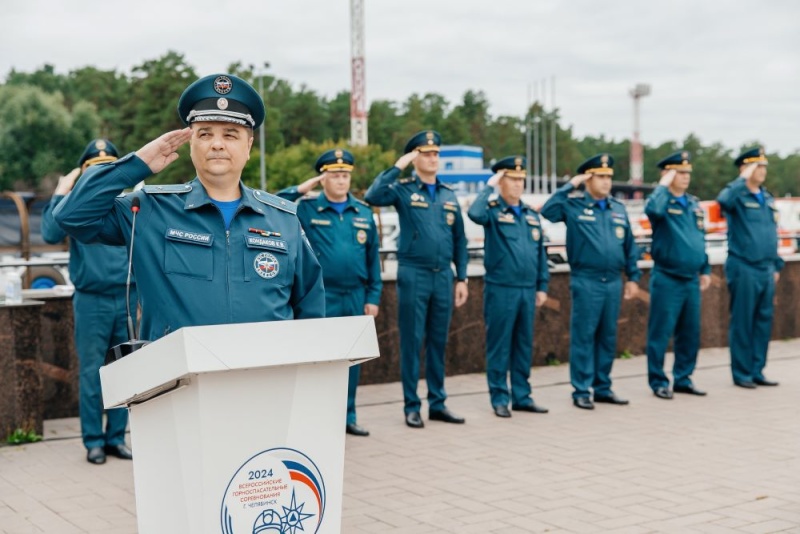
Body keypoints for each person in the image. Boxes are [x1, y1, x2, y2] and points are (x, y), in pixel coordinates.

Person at [54, 73, 325, 345]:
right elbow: (72, 216)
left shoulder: (283, 219)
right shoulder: (149, 210)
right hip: (180, 380)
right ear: (191, 143)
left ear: (249, 145)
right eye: (205, 134)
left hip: (265, 378)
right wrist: (136, 164)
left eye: (230, 135)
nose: (217, 144)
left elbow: (311, 310)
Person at [364, 130, 469, 428]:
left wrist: (462, 278)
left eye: (436, 153)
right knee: (411, 342)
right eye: (426, 153)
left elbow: (460, 240)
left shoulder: (449, 194)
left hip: (443, 278)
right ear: (414, 158)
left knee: (439, 342)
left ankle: (438, 403)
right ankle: (412, 405)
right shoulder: (402, 189)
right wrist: (398, 165)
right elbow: (373, 195)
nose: (433, 158)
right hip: (414, 274)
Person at [42, 139, 136, 465]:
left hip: (126, 297)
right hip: (92, 299)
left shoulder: (126, 200)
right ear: (82, 175)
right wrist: (61, 191)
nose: (100, 177)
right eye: (92, 171)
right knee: (92, 375)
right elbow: (51, 234)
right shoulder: (76, 207)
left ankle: (116, 439)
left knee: (126, 371)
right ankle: (94, 441)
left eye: (105, 169)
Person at [277, 148, 382, 436]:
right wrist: (299, 189)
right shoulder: (308, 208)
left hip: (356, 295)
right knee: (318, 359)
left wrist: (373, 296)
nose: (340, 180)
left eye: (345, 175)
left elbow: (374, 258)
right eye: (334, 175)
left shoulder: (362, 212)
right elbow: (274, 205)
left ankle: (348, 416)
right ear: (323, 178)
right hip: (322, 295)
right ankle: (317, 416)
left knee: (351, 361)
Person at [540, 153, 641, 410]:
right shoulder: (573, 206)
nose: (607, 182)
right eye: (601, 177)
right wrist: (570, 185)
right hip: (587, 280)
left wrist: (633, 277)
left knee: (608, 336)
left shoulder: (618, 209)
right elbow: (548, 211)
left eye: (609, 177)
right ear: (588, 178)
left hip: (613, 281)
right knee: (584, 336)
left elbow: (629, 245)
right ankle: (581, 390)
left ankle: (603, 387)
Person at [467, 156, 549, 418]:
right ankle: (499, 397)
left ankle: (522, 396)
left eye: (520, 179)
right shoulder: (492, 210)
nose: (517, 184)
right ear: (501, 181)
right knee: (499, 344)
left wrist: (542, 285)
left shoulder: (530, 215)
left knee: (524, 344)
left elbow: (540, 255)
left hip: (527, 289)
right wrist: (489, 187)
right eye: (512, 179)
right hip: (501, 287)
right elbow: (474, 213)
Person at [644, 150, 711, 399]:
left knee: (690, 332)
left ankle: (683, 378)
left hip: (691, 278)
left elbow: (699, 238)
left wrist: (704, 268)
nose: (685, 177)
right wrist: (662, 185)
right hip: (667, 277)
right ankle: (658, 381)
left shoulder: (693, 203)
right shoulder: (662, 201)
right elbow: (653, 211)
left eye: (687, 173)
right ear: (668, 174)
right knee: (660, 332)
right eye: (679, 172)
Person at [716, 146, 783, 388]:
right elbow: (722, 201)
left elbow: (770, 233)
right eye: (757, 166)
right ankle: (742, 373)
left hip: (766, 268)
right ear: (745, 169)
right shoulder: (737, 195)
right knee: (743, 321)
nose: (762, 171)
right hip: (744, 266)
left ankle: (757, 370)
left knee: (763, 320)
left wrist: (776, 265)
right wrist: (741, 180)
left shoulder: (766, 197)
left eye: (764, 166)